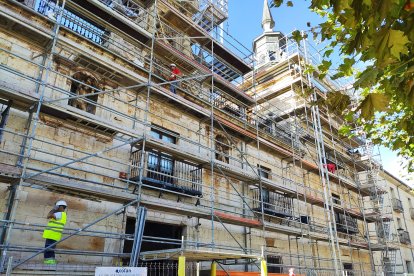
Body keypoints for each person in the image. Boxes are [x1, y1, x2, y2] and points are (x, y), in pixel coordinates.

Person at [42, 200, 68, 265]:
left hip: (52, 234)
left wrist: (54, 209)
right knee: (51, 249)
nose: (56, 207)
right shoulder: (63, 215)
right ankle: (51, 261)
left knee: (48, 249)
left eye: (57, 206)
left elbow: (48, 215)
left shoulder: (60, 214)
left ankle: (49, 263)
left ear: (61, 207)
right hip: (54, 235)